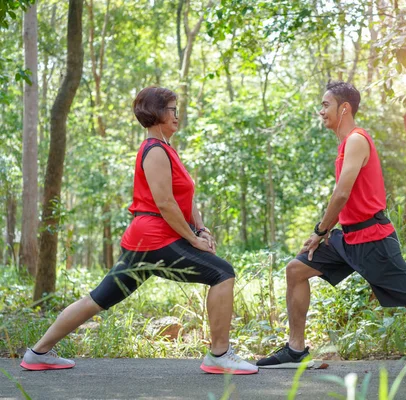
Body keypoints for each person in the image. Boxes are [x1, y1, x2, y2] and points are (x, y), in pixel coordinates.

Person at [257, 81, 406, 373]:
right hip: (347, 239)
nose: (320, 110)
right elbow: (346, 198)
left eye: (325, 105)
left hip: (373, 241)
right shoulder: (346, 144)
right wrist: (327, 235)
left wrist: (320, 232)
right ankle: (296, 349)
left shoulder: (357, 140)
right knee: (296, 270)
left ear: (343, 108)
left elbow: (342, 193)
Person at [21, 87, 258, 375]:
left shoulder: (167, 148)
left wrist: (202, 228)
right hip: (155, 237)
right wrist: (193, 239)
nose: (177, 115)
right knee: (222, 274)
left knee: (98, 299)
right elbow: (166, 203)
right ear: (157, 113)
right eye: (172, 109)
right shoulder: (154, 150)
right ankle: (219, 354)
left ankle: (37, 353)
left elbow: (186, 197)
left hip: (145, 241)